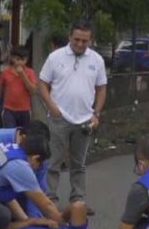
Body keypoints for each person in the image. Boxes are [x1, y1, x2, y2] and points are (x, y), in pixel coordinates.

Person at [38, 20, 107, 215]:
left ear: (90, 40)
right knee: (53, 162)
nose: (80, 44)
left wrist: (97, 113)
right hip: (59, 118)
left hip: (85, 120)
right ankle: (50, 202)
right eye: (76, 39)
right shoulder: (55, 57)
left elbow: (101, 89)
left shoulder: (97, 60)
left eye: (85, 41)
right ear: (70, 37)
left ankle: (78, 202)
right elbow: (42, 84)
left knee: (79, 164)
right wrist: (52, 107)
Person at [0, 45, 37, 129]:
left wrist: (23, 75)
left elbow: (33, 91)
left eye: (22, 60)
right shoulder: (5, 73)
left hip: (24, 110)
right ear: (12, 58)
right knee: (10, 133)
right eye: (17, 59)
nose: (19, 62)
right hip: (8, 110)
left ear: (26, 60)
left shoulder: (30, 72)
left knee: (23, 135)